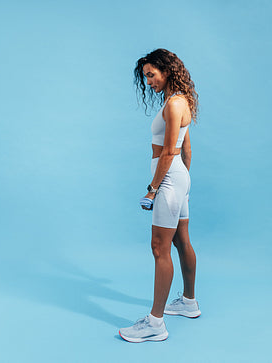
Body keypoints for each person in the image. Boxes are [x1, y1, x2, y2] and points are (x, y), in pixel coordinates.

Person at [119, 49, 200, 343]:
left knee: (159, 246)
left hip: (167, 179)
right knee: (181, 240)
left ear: (167, 71)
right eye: (146, 76)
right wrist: (184, 183)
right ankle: (189, 302)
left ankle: (155, 323)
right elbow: (186, 150)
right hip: (179, 177)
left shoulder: (172, 106)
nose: (149, 81)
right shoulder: (181, 102)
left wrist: (154, 189)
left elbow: (169, 152)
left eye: (151, 75)